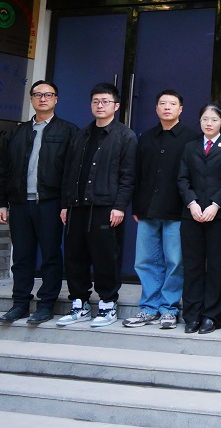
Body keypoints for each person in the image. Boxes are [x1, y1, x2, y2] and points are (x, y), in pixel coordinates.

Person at [0, 80, 78, 325]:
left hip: (50, 203)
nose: (43, 99)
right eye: (37, 94)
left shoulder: (68, 131)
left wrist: (67, 204)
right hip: (19, 203)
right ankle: (20, 304)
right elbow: (2, 169)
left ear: (56, 99)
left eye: (48, 95)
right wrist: (1, 203)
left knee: (51, 255)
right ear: (31, 99)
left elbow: (73, 172)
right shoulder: (16, 133)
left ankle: (46, 305)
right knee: (21, 256)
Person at [57, 82, 137, 328]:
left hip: (105, 207)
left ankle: (107, 305)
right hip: (76, 206)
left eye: (105, 101)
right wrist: (65, 204)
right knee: (74, 257)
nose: (100, 105)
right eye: (96, 101)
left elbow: (128, 175)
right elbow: (69, 172)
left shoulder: (125, 136)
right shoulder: (81, 135)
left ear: (116, 106)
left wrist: (120, 206)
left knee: (105, 258)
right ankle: (79, 304)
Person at [124, 90, 198, 329]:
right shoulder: (146, 137)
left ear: (180, 109)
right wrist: (136, 205)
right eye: (162, 103)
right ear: (156, 108)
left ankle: (169, 308)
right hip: (148, 209)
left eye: (172, 104)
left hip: (177, 210)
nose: (167, 107)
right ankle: (148, 308)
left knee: (175, 261)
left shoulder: (191, 138)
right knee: (145, 260)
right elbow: (137, 173)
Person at [177, 102, 221, 335]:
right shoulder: (190, 147)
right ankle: (192, 315)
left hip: (218, 217)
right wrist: (192, 203)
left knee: (218, 266)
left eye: (214, 120)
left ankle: (212, 315)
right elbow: (182, 178)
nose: (209, 123)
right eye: (204, 119)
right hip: (192, 215)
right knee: (193, 266)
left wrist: (215, 204)